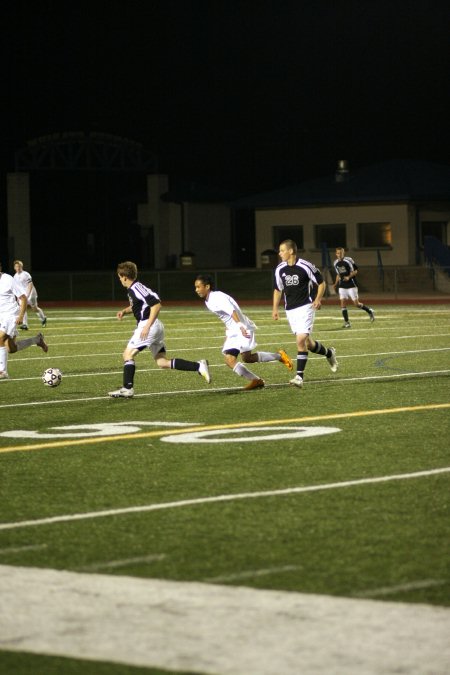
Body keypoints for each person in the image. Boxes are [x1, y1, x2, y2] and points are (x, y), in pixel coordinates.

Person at [108, 261, 211, 398]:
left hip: (149, 325)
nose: (119, 279)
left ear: (124, 276)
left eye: (119, 277)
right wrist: (124, 311)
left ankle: (127, 388)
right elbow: (139, 305)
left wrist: (147, 326)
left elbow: (156, 304)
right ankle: (198, 366)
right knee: (162, 362)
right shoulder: (135, 289)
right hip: (154, 326)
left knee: (127, 355)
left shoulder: (137, 287)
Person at [194, 274, 293, 390]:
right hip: (234, 330)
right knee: (247, 358)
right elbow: (226, 316)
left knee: (230, 360)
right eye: (195, 287)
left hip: (242, 328)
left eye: (198, 287)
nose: (196, 290)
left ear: (207, 286)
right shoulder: (208, 300)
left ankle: (257, 380)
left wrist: (240, 326)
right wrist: (228, 332)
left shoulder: (216, 297)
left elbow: (231, 311)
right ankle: (279, 356)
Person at [272, 239, 338, 388]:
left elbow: (321, 283)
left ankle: (299, 378)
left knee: (301, 340)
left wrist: (318, 299)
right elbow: (278, 289)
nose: (280, 253)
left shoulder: (306, 266)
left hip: (305, 307)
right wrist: (275, 309)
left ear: (291, 251)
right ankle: (329, 353)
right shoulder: (280, 269)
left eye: (282, 250)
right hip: (290, 310)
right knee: (308, 343)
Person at [0, 262, 48, 379]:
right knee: (11, 349)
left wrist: (21, 316)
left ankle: (2, 371)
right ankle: (37, 339)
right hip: (1, 316)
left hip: (11, 314)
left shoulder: (8, 279)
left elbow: (23, 297)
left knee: (0, 338)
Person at [333, 247, 375, 328]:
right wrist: (335, 283)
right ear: (336, 254)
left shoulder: (348, 260)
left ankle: (369, 310)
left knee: (356, 304)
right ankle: (347, 322)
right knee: (342, 304)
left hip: (351, 285)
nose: (339, 255)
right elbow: (338, 274)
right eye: (338, 253)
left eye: (341, 253)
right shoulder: (335, 263)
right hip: (342, 286)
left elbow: (355, 271)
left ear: (343, 253)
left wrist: (348, 277)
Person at [13, 260, 47, 329]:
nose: (18, 268)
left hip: (31, 293)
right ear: (14, 268)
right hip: (22, 295)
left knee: (34, 309)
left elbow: (30, 285)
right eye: (16, 266)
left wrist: (28, 294)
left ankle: (43, 318)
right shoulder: (15, 276)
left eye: (19, 266)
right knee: (23, 308)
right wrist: (17, 297)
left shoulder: (26, 274)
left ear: (21, 267)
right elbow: (16, 288)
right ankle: (25, 325)